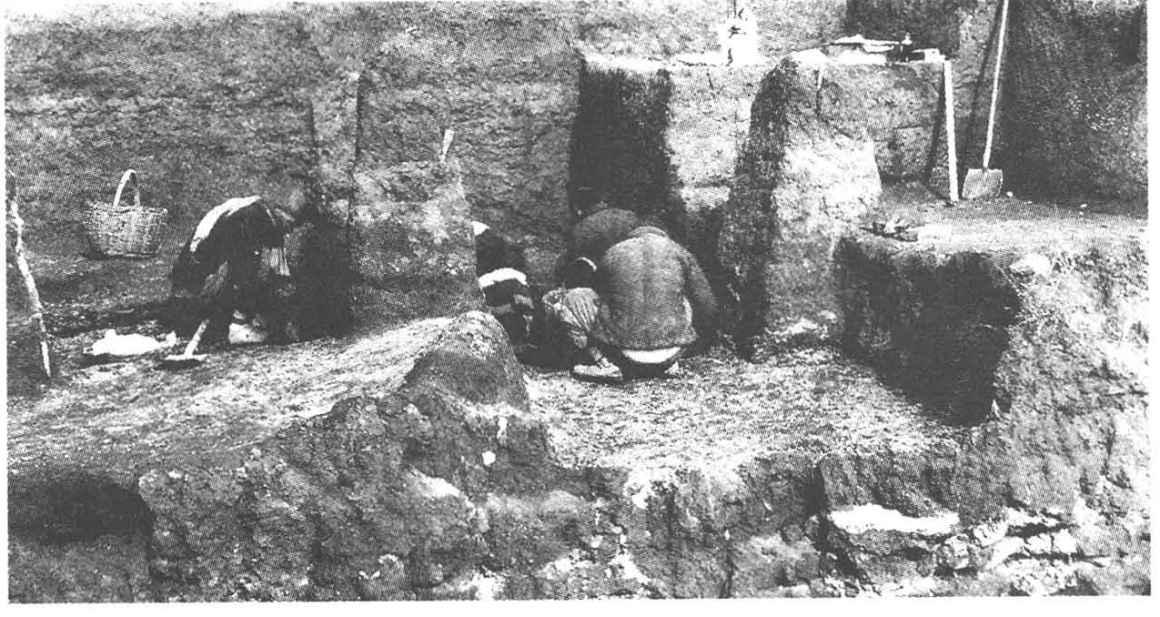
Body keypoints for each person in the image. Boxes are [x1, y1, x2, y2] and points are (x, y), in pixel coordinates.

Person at [545, 225, 718, 382]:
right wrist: (697, 343)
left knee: (574, 298)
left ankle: (604, 364)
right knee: (682, 297)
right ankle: (667, 364)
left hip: (622, 352)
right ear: (663, 237)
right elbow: (707, 304)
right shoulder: (679, 251)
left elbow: (599, 294)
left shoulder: (614, 252)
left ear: (631, 238)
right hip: (673, 351)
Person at [168, 187, 312, 346]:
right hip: (197, 276)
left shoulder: (259, 211)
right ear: (279, 211)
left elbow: (279, 269)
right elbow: (240, 269)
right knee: (250, 267)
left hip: (202, 270)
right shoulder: (252, 219)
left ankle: (236, 317)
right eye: (290, 223)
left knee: (260, 271)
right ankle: (238, 326)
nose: (290, 230)